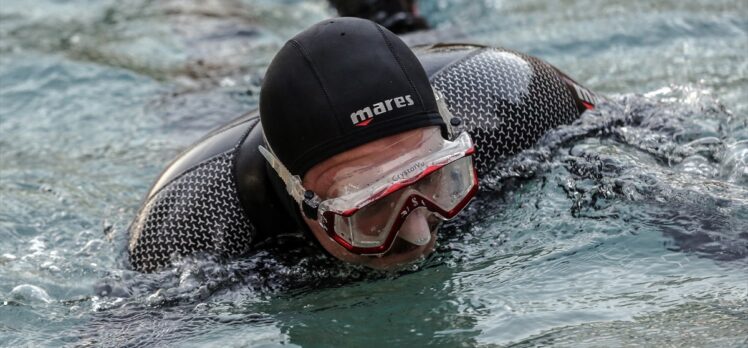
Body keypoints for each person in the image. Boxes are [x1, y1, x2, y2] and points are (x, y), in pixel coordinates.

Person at [127, 17, 598, 273]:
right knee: (211, 83)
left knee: (397, 20)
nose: (418, 235)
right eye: (371, 209)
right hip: (217, 142)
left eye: (436, 179)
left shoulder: (511, 97)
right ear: (299, 195)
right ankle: (205, 17)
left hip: (443, 69)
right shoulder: (192, 229)